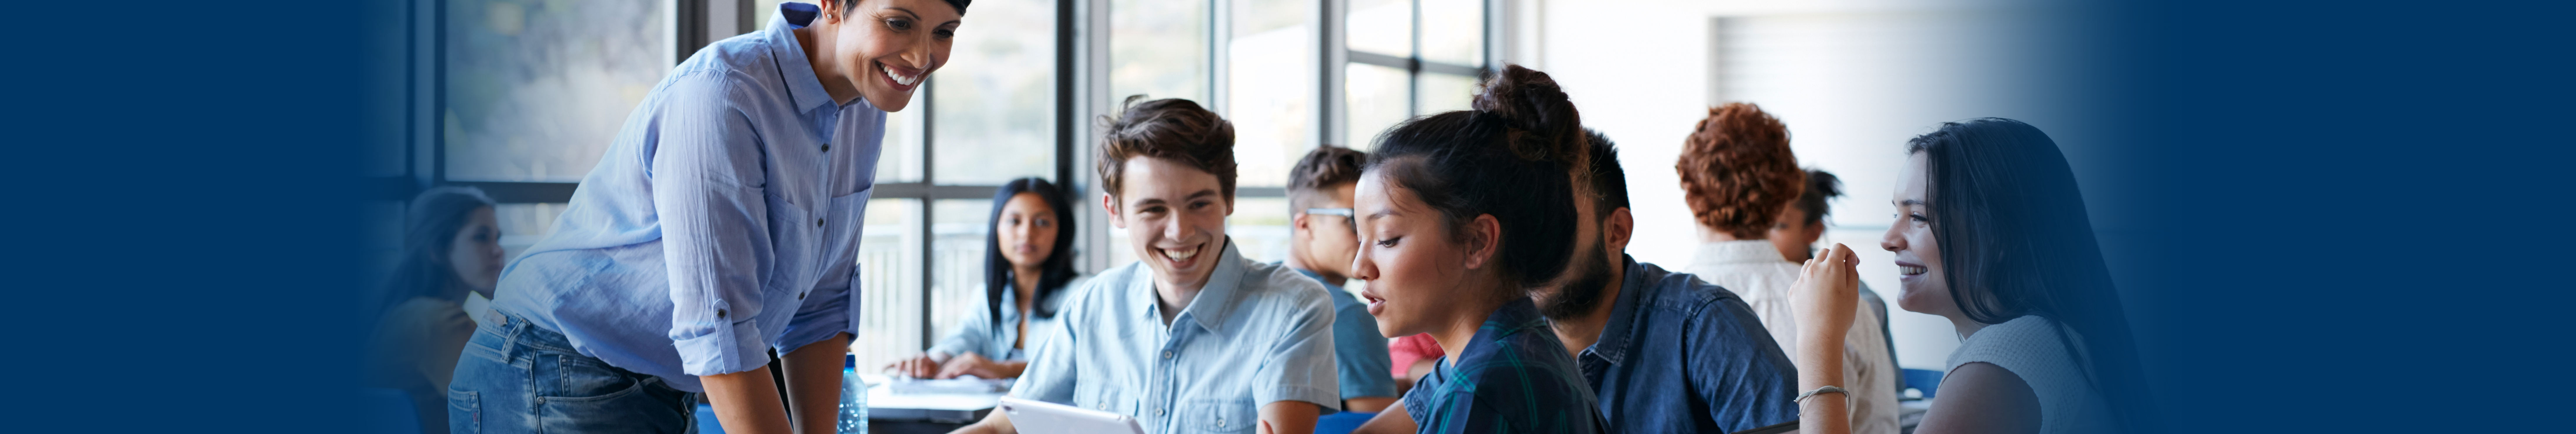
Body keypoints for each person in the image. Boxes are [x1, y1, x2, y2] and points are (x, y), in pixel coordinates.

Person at [450, 1, 970, 433]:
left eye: (944, 32)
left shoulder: (865, 106)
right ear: (833, 4)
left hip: (666, 382)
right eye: (898, 22)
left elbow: (822, 305)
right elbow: (718, 326)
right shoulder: (723, 94)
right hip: (552, 367)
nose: (922, 55)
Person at [952, 97, 1340, 434]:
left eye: (1200, 204)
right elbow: (1001, 425)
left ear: (1229, 198)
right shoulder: (1094, 304)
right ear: (1114, 210)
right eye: (1154, 209)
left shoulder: (1293, 306)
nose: (1180, 231)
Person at [1785, 118, 2153, 434]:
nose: (1888, 240)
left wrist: (1818, 339)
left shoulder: (2007, 357)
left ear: (1998, 234)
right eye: (1895, 214)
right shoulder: (2048, 338)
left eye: (1918, 217)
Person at [1347, 65, 1605, 434]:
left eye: (1387, 239)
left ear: (1477, 241)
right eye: (1360, 240)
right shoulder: (1508, 349)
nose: (1359, 267)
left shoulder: (1483, 390)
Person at [1529, 129, 1799, 433]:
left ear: (1617, 230)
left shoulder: (1703, 323)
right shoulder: (1510, 342)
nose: (1534, 250)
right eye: (1525, 228)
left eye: (1557, 226)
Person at [1675, 103, 1898, 433]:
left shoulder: (1649, 312)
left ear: (1689, 194)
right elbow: (1879, 427)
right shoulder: (1846, 308)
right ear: (1785, 195)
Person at [887, 177, 1082, 380]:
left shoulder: (1083, 294)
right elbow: (963, 338)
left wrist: (1002, 370)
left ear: (1062, 232)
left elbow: (1077, 363)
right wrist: (932, 360)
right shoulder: (989, 296)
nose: (1026, 233)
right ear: (996, 229)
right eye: (1014, 221)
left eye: (1042, 222)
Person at [366, 186, 503, 434]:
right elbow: (508, 412)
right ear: (439, 250)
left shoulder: (415, 314)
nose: (498, 250)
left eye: (498, 238)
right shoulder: (438, 321)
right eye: (482, 237)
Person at [1280, 145, 1401, 414]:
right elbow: (1377, 426)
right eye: (1353, 222)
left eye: (1378, 222)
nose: (1367, 237)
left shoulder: (1257, 291)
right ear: (1305, 225)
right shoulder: (1344, 316)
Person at [1766, 169, 1904, 397]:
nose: (1765, 238)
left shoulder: (1863, 303)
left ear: (1813, 231)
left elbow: (1890, 395)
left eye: (1779, 226)